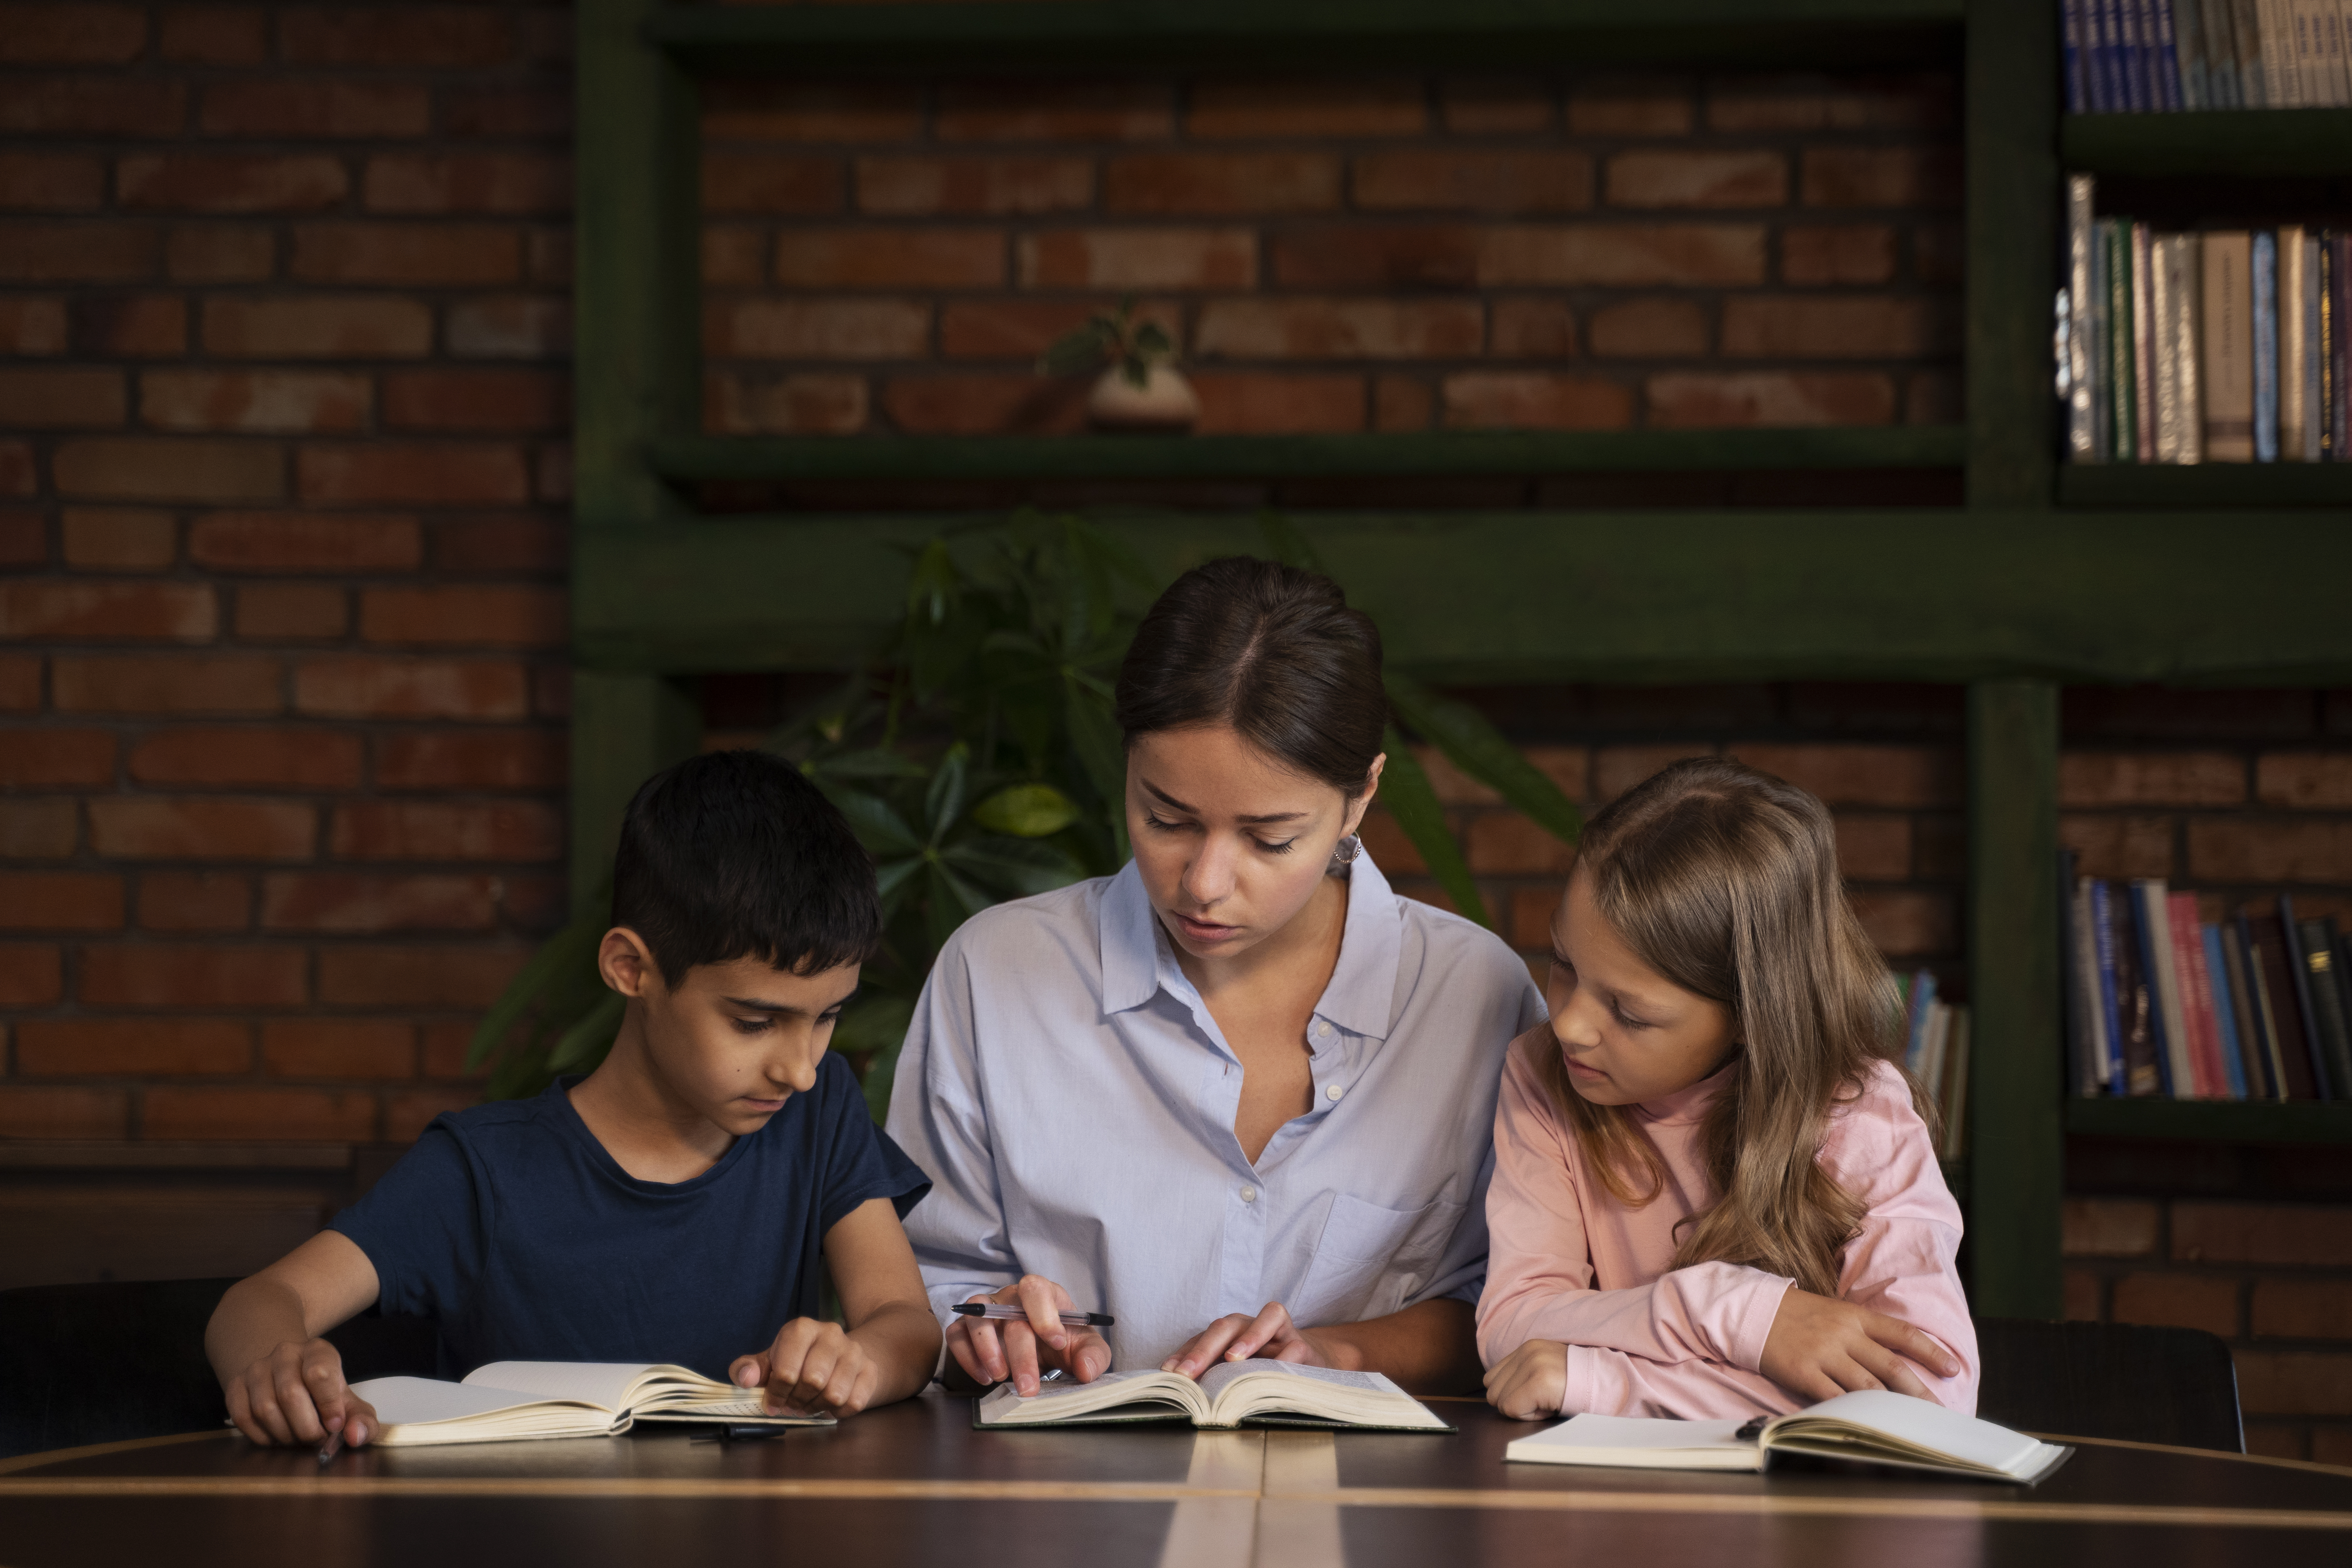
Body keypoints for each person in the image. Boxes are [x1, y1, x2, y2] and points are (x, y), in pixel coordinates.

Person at [888, 556, 1547, 1398]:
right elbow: (922, 1283)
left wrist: (1332, 1351)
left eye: (1270, 839)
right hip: (1061, 1507)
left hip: (1380, 1512)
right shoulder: (997, 973)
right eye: (1165, 818)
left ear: (1359, 798)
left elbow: (1518, 1303)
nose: (1202, 882)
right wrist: (989, 1327)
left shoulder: (1472, 995)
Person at [205, 751, 940, 1449]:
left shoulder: (818, 1113)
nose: (801, 1069)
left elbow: (904, 1322)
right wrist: (276, 1363)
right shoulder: (485, 1171)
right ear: (631, 970)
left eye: (828, 1017)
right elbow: (260, 1301)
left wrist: (855, 1362)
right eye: (755, 1022)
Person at [1479, 756, 1976, 1422]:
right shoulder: (1541, 1074)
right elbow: (1512, 1326)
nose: (1567, 1024)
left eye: (1629, 1012)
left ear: (1750, 1018)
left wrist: (1604, 1381)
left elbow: (1929, 1399)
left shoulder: (1863, 1118)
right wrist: (1736, 1314)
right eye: (1564, 964)